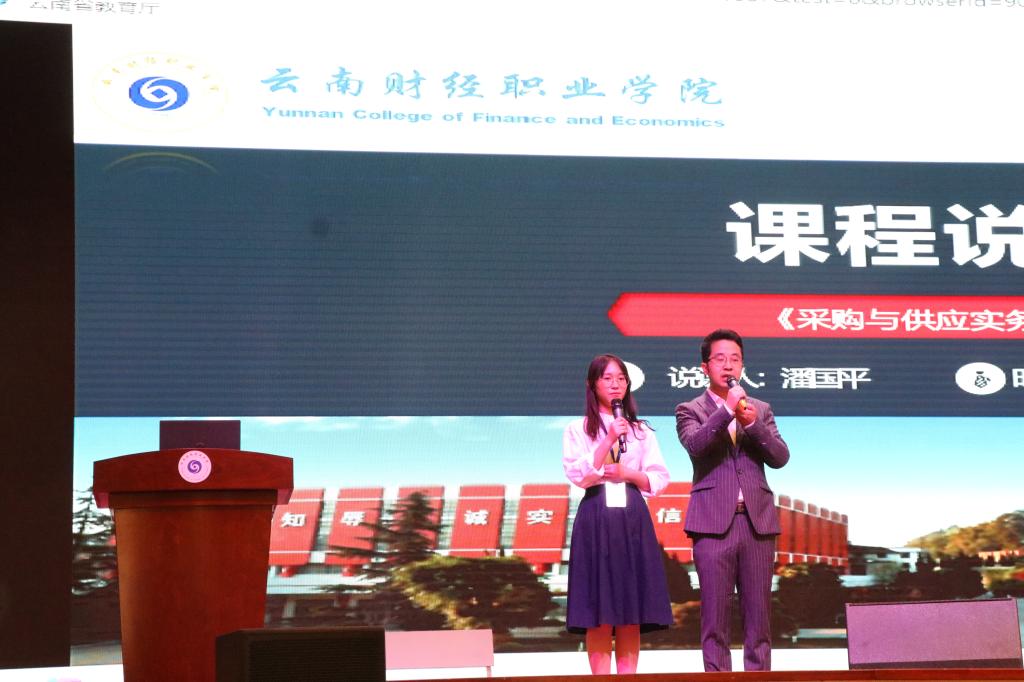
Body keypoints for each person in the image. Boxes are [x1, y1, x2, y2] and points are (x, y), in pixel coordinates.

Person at [675, 329, 790, 672]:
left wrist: (753, 425)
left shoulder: (760, 409)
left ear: (742, 365)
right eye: (720, 359)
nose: (728, 365)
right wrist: (726, 410)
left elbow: (780, 457)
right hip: (712, 525)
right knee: (715, 619)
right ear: (705, 367)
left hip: (757, 524)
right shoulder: (689, 409)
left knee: (759, 618)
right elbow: (696, 446)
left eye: (735, 359)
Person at [562, 353, 673, 675]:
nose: (616, 385)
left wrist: (629, 474)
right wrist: (609, 437)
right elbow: (579, 475)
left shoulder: (641, 431)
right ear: (592, 384)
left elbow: (659, 478)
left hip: (632, 515)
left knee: (630, 609)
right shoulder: (577, 429)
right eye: (608, 378)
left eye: (621, 379)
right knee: (599, 609)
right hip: (596, 514)